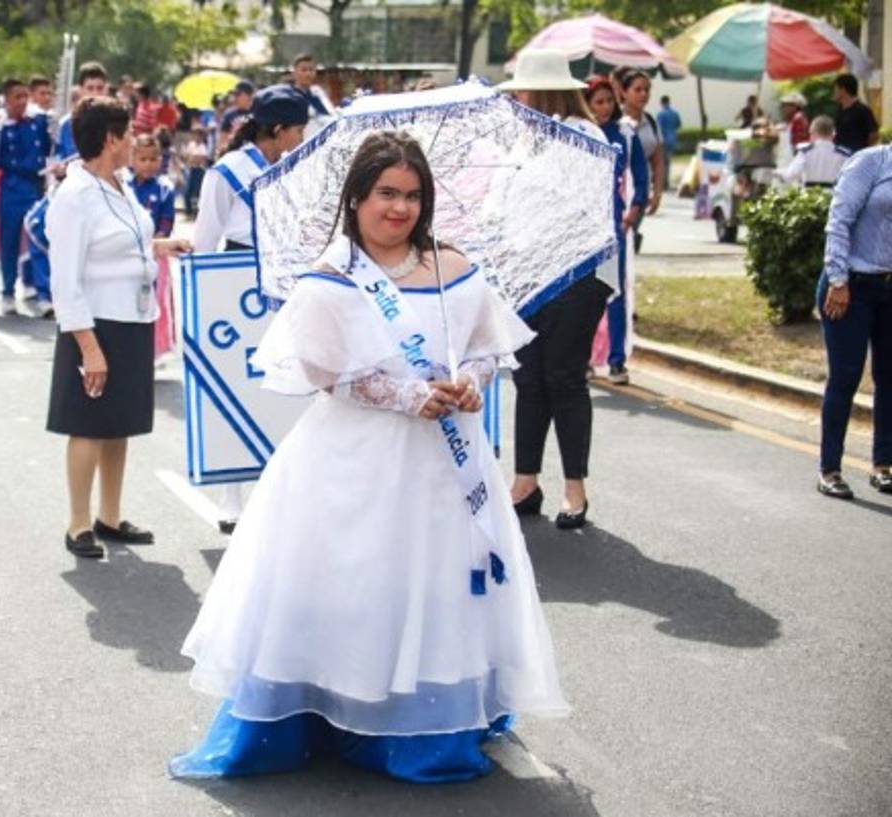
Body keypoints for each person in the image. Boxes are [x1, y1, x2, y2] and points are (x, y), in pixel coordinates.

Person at [170, 130, 567, 783]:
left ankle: (427, 718)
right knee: (358, 577)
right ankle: (332, 707)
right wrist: (407, 394)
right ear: (357, 197)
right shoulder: (330, 279)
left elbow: (486, 346)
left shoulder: (455, 266)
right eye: (386, 192)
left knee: (433, 580)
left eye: (412, 195)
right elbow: (325, 374)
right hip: (355, 460)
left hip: (447, 460)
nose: (399, 208)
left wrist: (470, 379)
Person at [44, 97, 191, 558]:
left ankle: (109, 515)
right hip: (95, 324)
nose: (134, 142)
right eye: (128, 134)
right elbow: (65, 282)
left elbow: (124, 242)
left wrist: (161, 247)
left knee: (118, 425)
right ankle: (78, 523)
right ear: (110, 139)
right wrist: (88, 347)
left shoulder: (120, 184)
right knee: (87, 425)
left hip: (133, 319)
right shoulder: (74, 195)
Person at [499, 49, 615, 529]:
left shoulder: (583, 137)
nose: (518, 100)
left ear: (543, 92)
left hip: (575, 276)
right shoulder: (521, 144)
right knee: (528, 381)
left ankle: (575, 489)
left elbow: (580, 204)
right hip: (527, 279)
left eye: (523, 92)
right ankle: (526, 482)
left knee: (564, 379)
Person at [192, 84, 309, 533]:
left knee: (287, 381)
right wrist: (201, 299)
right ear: (277, 131)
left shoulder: (299, 167)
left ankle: (285, 487)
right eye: (297, 129)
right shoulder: (226, 172)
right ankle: (231, 493)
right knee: (239, 381)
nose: (302, 137)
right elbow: (206, 238)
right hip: (237, 276)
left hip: (287, 277)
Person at [816, 144, 892, 500]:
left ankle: (883, 466)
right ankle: (829, 469)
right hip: (851, 286)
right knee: (845, 378)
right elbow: (839, 221)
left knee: (889, 377)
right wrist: (837, 280)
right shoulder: (870, 162)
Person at [585, 76, 648, 386]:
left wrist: (633, 211)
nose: (605, 107)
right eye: (598, 102)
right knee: (583, 293)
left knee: (614, 292)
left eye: (609, 100)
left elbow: (641, 174)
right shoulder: (579, 131)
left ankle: (617, 361)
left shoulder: (624, 132)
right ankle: (583, 356)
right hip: (583, 227)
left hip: (612, 224)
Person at [0, 77, 53, 316]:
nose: (22, 102)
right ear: (6, 99)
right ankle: (7, 291)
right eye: (16, 97)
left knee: (38, 239)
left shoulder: (38, 121)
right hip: (10, 188)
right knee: (8, 242)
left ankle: (41, 292)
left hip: (35, 188)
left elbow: (50, 148)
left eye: (24, 96)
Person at [128, 133, 178, 357]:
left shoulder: (164, 189)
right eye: (142, 159)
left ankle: (151, 351)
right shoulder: (122, 186)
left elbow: (166, 224)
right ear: (132, 159)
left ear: (160, 160)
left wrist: (153, 246)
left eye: (153, 159)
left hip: (152, 257)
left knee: (149, 303)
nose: (148, 164)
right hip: (125, 256)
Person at [618, 70, 662, 254]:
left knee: (630, 239)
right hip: (619, 193)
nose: (643, 94)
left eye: (647, 89)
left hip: (640, 193)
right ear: (624, 92)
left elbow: (658, 161)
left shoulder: (650, 121)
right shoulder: (616, 121)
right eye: (637, 89)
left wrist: (657, 192)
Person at [56, 62, 109, 163]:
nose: (95, 93)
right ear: (80, 90)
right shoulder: (67, 124)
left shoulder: (116, 121)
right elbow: (60, 155)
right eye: (90, 88)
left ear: (106, 89)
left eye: (100, 88)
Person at [777, 116, 851, 188]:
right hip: (834, 196)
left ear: (812, 131)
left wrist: (778, 173)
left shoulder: (805, 152)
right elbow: (850, 177)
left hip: (809, 195)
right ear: (833, 133)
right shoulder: (843, 154)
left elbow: (790, 175)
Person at [832, 73, 879, 154]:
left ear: (843, 90)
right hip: (840, 157)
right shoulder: (839, 110)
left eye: (836, 89)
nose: (834, 92)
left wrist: (863, 150)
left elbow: (874, 134)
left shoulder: (862, 110)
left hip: (856, 156)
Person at [289, 53, 335, 136]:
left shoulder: (318, 93)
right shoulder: (290, 97)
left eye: (311, 70)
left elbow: (332, 114)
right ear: (294, 73)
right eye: (304, 70)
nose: (308, 74)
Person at [655, 95, 681, 191]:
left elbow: (658, 129)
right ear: (669, 102)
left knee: (661, 163)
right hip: (672, 140)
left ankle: (663, 183)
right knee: (668, 162)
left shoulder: (660, 114)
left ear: (662, 103)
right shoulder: (675, 113)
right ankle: (667, 182)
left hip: (663, 141)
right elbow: (678, 125)